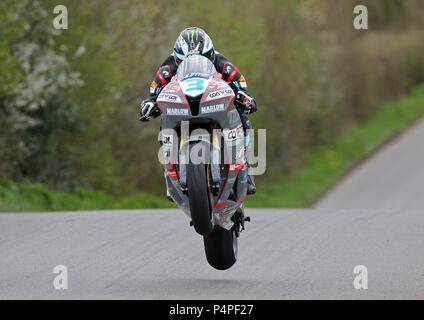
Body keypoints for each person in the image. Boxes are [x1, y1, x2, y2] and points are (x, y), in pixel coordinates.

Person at [139, 27, 257, 194]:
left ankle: (246, 165)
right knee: (163, 115)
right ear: (177, 57)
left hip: (214, 102)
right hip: (184, 107)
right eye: (184, 59)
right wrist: (150, 104)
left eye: (203, 58)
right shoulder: (168, 65)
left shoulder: (222, 62)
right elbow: (155, 91)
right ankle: (170, 169)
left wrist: (245, 97)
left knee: (242, 112)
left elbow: (240, 83)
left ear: (210, 54)